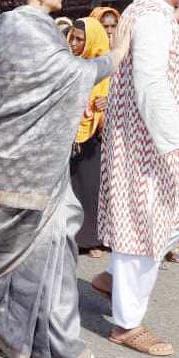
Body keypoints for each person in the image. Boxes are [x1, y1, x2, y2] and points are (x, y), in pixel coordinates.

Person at [0, 0, 128, 358]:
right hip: (16, 163)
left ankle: (60, 345)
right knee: (5, 254)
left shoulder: (25, 25)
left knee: (53, 249)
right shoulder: (22, 24)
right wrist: (117, 55)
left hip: (37, 163)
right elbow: (68, 75)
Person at [96, 0, 179, 357]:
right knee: (143, 226)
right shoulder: (153, 19)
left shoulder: (150, 13)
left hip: (147, 142)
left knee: (158, 221)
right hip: (146, 147)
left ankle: (112, 280)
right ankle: (126, 325)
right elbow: (152, 86)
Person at [70, 17, 111, 258]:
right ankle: (71, 236)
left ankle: (91, 239)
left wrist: (107, 104)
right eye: (72, 37)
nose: (74, 43)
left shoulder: (105, 68)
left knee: (90, 188)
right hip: (68, 133)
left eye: (79, 39)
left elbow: (117, 97)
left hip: (94, 135)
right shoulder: (68, 64)